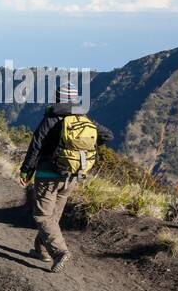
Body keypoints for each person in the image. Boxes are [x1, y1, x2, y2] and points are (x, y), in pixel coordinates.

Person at [19, 80, 110, 272]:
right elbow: (107, 135)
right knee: (53, 216)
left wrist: (27, 170)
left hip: (47, 175)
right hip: (72, 175)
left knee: (43, 216)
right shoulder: (84, 119)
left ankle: (60, 252)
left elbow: (36, 144)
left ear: (57, 98)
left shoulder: (51, 118)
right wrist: (81, 150)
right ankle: (42, 251)